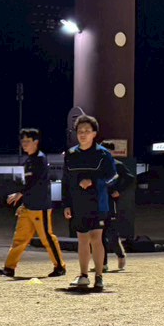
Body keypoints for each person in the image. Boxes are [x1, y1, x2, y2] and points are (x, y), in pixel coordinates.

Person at [0, 127, 66, 278]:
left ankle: (60, 267)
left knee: (47, 237)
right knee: (19, 238)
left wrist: (20, 194)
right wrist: (24, 203)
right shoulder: (28, 161)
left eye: (27, 141)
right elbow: (29, 184)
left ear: (36, 142)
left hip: (40, 207)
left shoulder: (40, 159)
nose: (24, 144)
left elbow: (37, 182)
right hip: (28, 207)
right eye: (23, 141)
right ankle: (9, 268)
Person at [62, 115, 117, 291]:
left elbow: (113, 178)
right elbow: (66, 181)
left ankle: (99, 277)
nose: (83, 134)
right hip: (78, 205)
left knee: (96, 238)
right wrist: (66, 204)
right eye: (80, 131)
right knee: (82, 239)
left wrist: (94, 181)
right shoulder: (71, 155)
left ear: (94, 133)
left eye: (87, 131)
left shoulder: (103, 154)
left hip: (98, 204)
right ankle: (83, 276)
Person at [103, 156, 132, 272]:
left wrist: (118, 189)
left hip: (109, 201)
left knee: (111, 232)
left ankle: (120, 255)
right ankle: (102, 263)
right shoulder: (95, 163)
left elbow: (129, 177)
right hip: (96, 201)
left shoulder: (116, 164)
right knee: (98, 234)